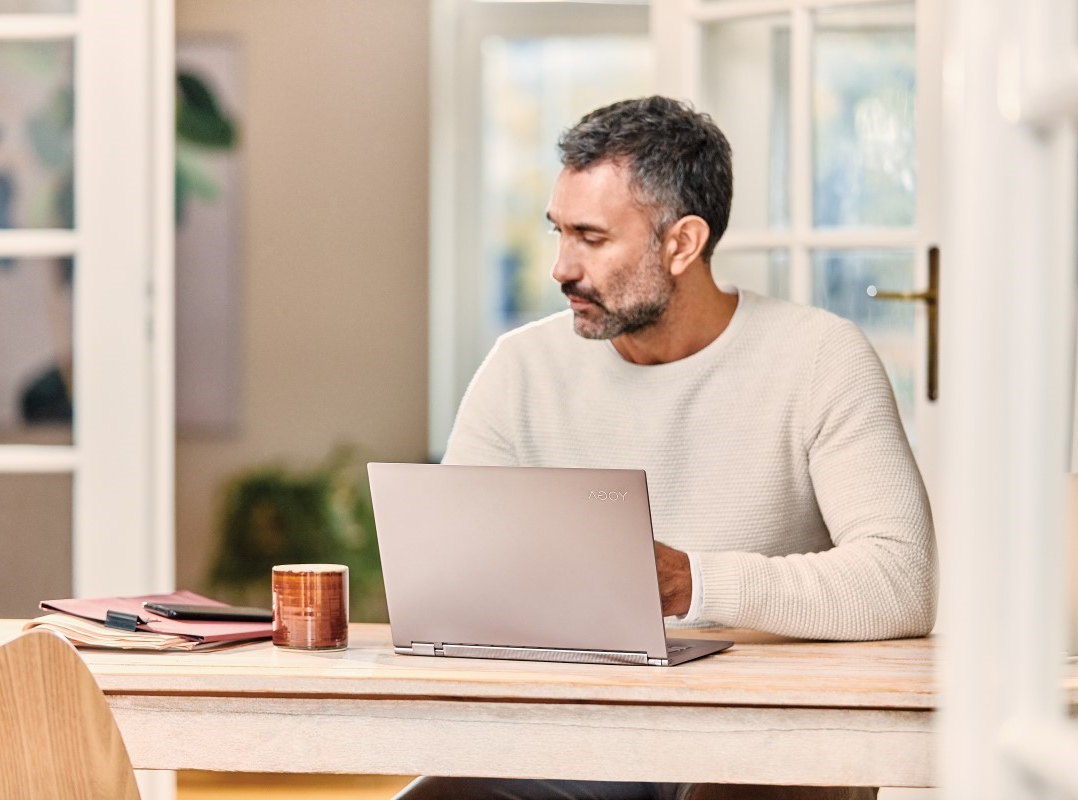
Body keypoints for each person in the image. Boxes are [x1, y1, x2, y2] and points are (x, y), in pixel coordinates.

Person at [395, 96, 936, 800]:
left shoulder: (820, 358)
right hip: (576, 734)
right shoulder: (519, 367)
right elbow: (450, 576)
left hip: (771, 732)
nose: (561, 267)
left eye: (591, 238)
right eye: (559, 232)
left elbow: (901, 581)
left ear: (682, 243)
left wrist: (693, 583)